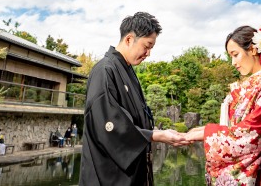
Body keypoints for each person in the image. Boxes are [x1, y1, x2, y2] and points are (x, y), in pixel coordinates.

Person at [183, 26, 261, 185]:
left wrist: (205, 133)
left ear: (253, 50)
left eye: (235, 55)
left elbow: (252, 134)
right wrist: (200, 130)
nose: (233, 62)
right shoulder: (257, 84)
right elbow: (240, 127)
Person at [79, 12, 185, 185]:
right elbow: (110, 125)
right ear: (129, 39)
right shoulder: (105, 70)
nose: (148, 53)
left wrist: (155, 133)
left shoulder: (128, 71)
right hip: (108, 176)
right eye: (147, 46)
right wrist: (154, 136)